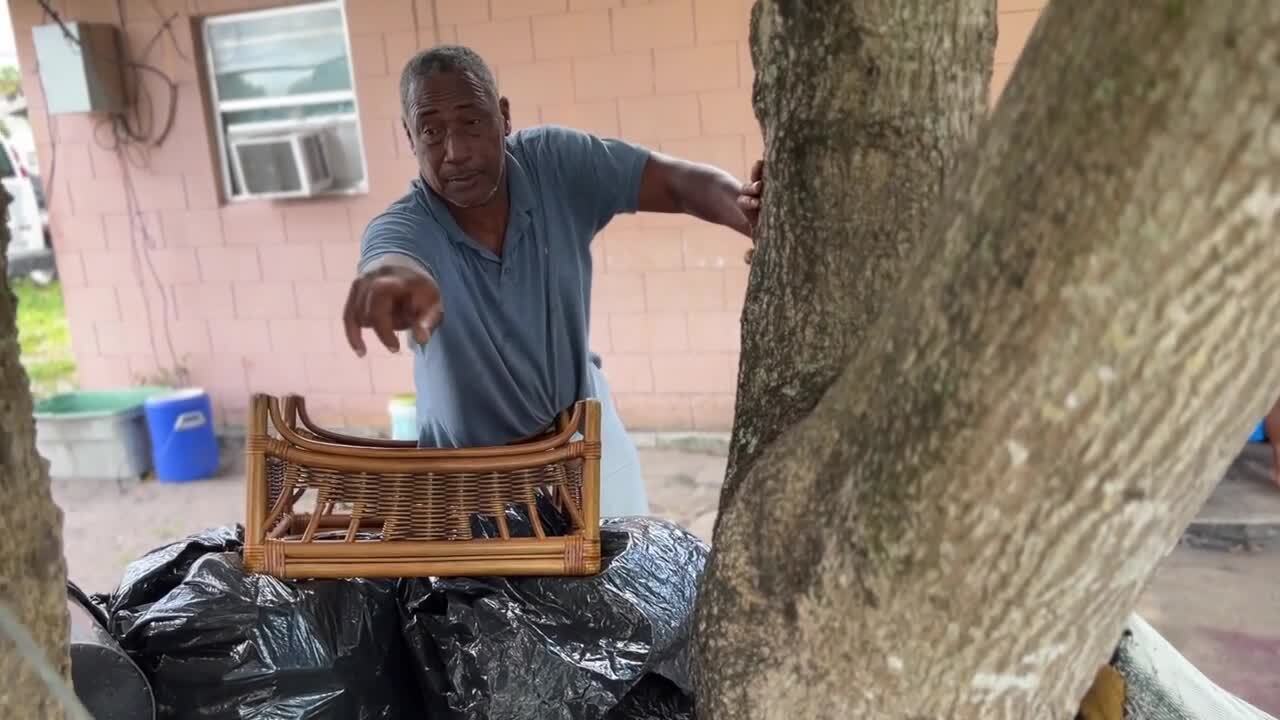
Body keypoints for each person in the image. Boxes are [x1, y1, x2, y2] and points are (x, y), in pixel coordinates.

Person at [341, 46, 764, 517]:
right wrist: (391, 283)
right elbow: (389, 260)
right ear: (409, 137)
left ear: (503, 118)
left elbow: (676, 183)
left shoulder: (556, 166)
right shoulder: (404, 226)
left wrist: (748, 213)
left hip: (584, 440)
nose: (455, 152)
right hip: (472, 484)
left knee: (628, 574)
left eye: (471, 123)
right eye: (432, 131)